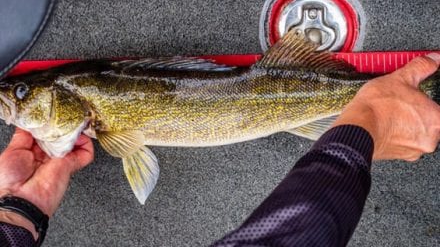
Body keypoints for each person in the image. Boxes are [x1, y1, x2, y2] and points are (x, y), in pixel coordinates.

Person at [0, 53, 439, 247]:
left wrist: (19, 211)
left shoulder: (108, 127)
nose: (14, 100)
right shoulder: (98, 117)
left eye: (22, 92)